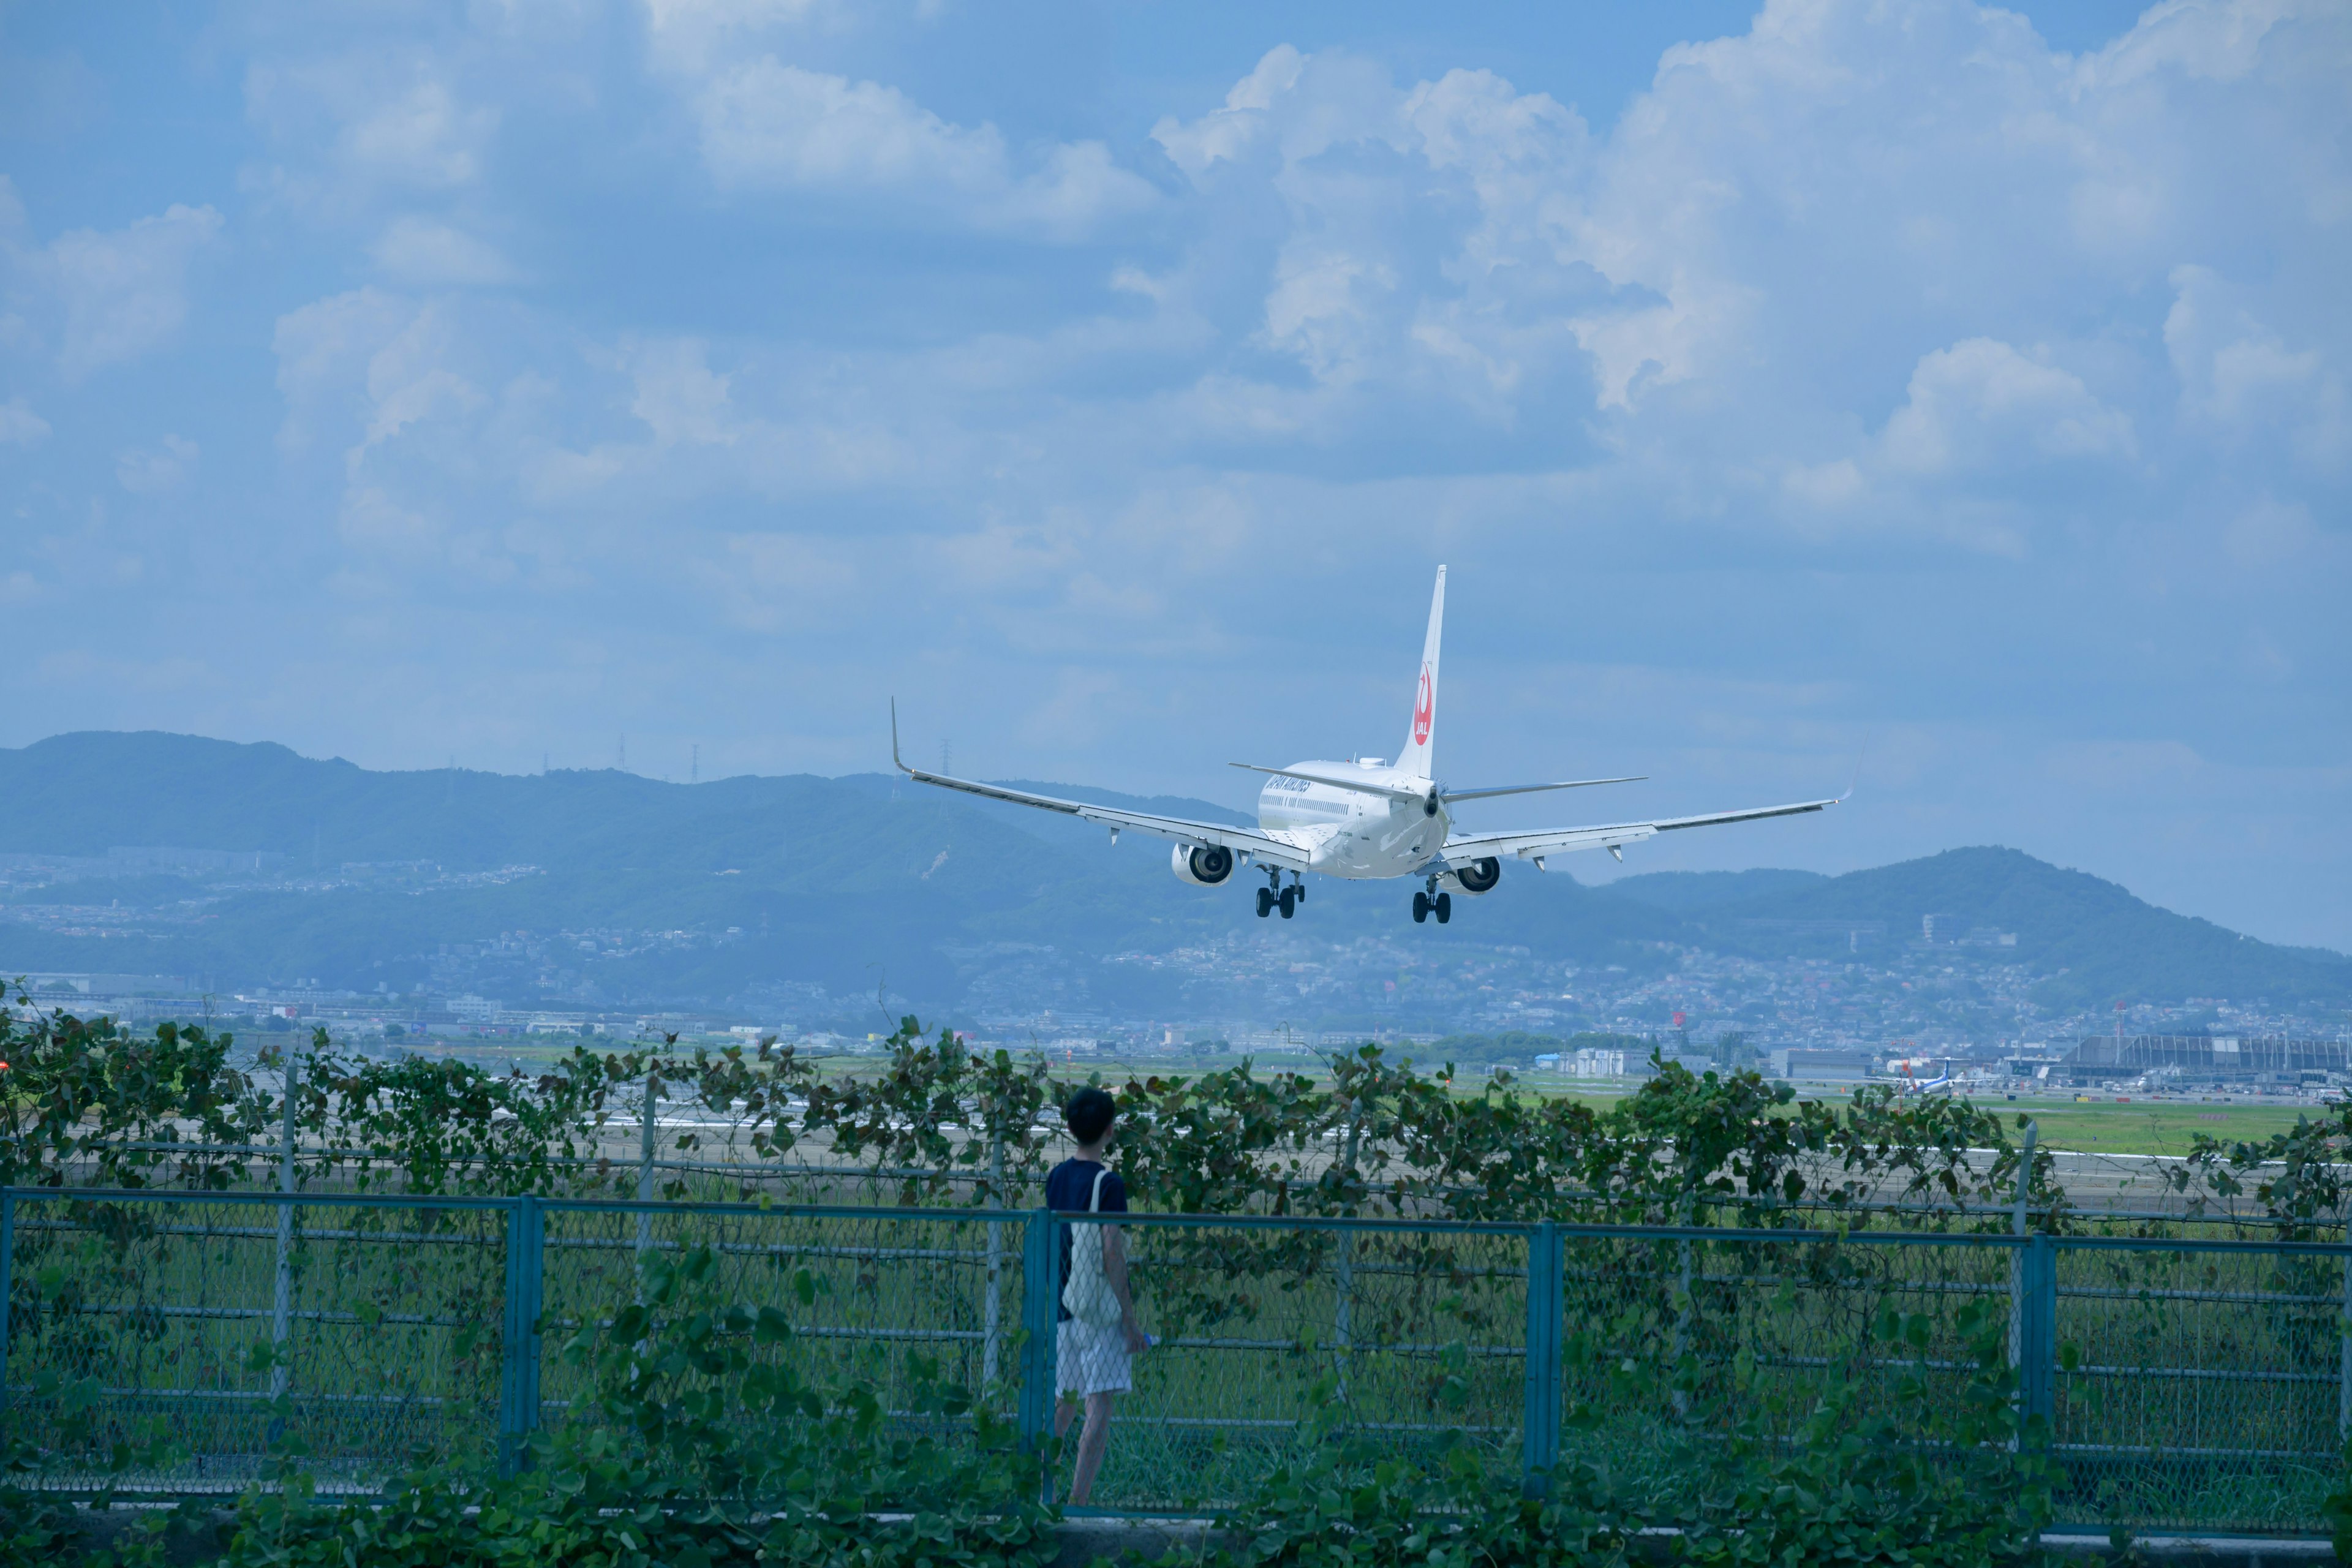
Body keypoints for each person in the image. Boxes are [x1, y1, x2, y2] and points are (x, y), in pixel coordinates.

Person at [1046, 1086, 1149, 1506]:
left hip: (1064, 1306)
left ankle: (1038, 1488)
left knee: (1064, 1401)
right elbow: (1111, 1250)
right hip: (1099, 1311)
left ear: (1072, 1129)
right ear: (1111, 1130)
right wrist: (1130, 1319)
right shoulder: (1109, 1184)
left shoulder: (1056, 1177)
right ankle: (1078, 1503)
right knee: (1098, 1410)